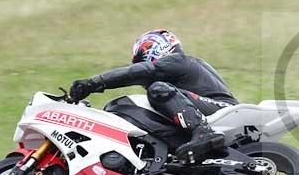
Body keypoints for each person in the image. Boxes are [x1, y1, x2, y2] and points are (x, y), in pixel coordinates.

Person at [68, 29, 237, 162]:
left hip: (222, 109)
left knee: (158, 89)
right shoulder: (186, 70)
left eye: (142, 60)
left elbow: (142, 71)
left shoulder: (179, 60)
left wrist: (94, 82)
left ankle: (203, 133)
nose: (142, 66)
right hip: (215, 110)